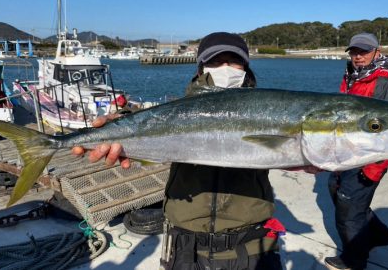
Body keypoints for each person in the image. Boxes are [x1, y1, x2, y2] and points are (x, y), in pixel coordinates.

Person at [73, 32, 284, 269]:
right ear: (201, 68)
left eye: (232, 60)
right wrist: (119, 122)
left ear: (245, 66)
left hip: (250, 243)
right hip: (185, 244)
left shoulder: (268, 112)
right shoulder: (181, 110)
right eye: (215, 61)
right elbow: (153, 120)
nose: (224, 68)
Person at [324, 33, 388, 270]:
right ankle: (380, 235)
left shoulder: (385, 83)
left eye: (364, 51)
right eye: (354, 52)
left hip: (366, 159)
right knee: (339, 194)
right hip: (345, 156)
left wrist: (374, 168)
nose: (358, 56)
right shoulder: (351, 76)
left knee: (348, 214)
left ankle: (354, 260)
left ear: (376, 53)